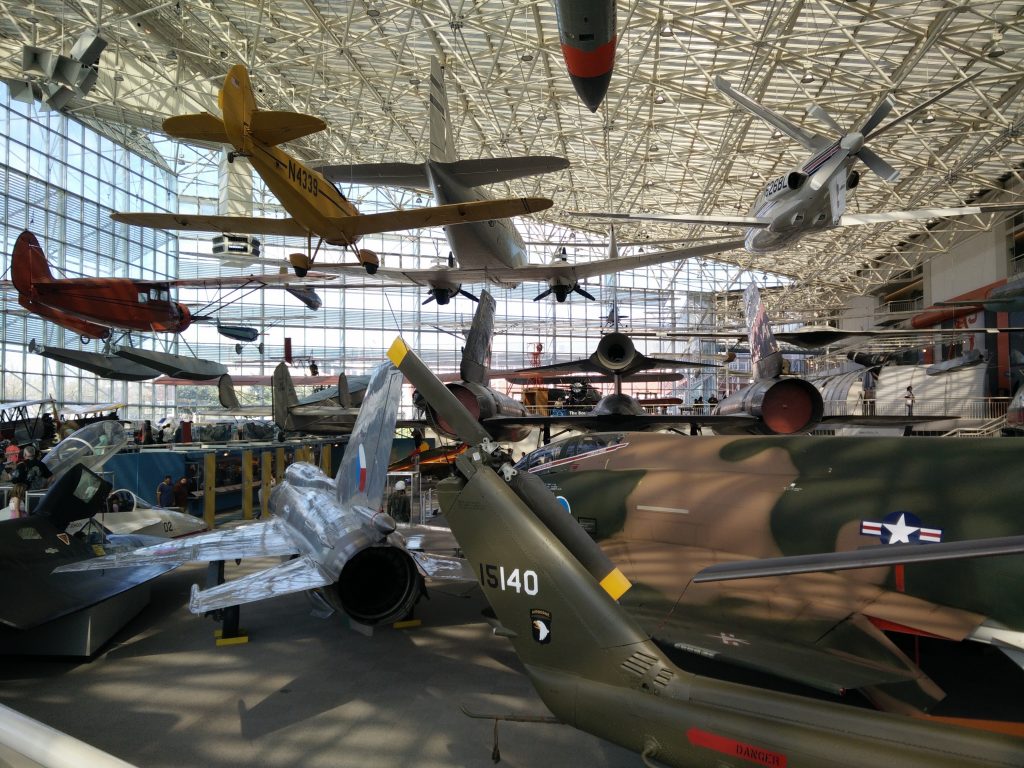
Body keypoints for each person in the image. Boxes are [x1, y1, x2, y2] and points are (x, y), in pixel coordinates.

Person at [10, 445, 53, 517]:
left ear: (24, 455)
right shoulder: (41, 464)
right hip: (38, 493)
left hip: (24, 495)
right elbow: (51, 477)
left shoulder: (21, 465)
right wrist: (45, 486)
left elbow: (14, 480)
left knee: (25, 514)